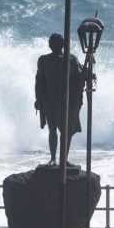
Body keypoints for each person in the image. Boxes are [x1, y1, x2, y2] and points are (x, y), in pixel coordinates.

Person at [35, 33, 85, 166]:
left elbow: (80, 79)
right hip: (50, 101)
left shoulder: (71, 59)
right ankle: (52, 158)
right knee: (52, 130)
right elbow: (39, 81)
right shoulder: (43, 60)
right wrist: (38, 99)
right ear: (50, 45)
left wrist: (86, 74)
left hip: (67, 102)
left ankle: (64, 159)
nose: (54, 46)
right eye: (52, 43)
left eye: (58, 43)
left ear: (63, 45)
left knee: (66, 132)